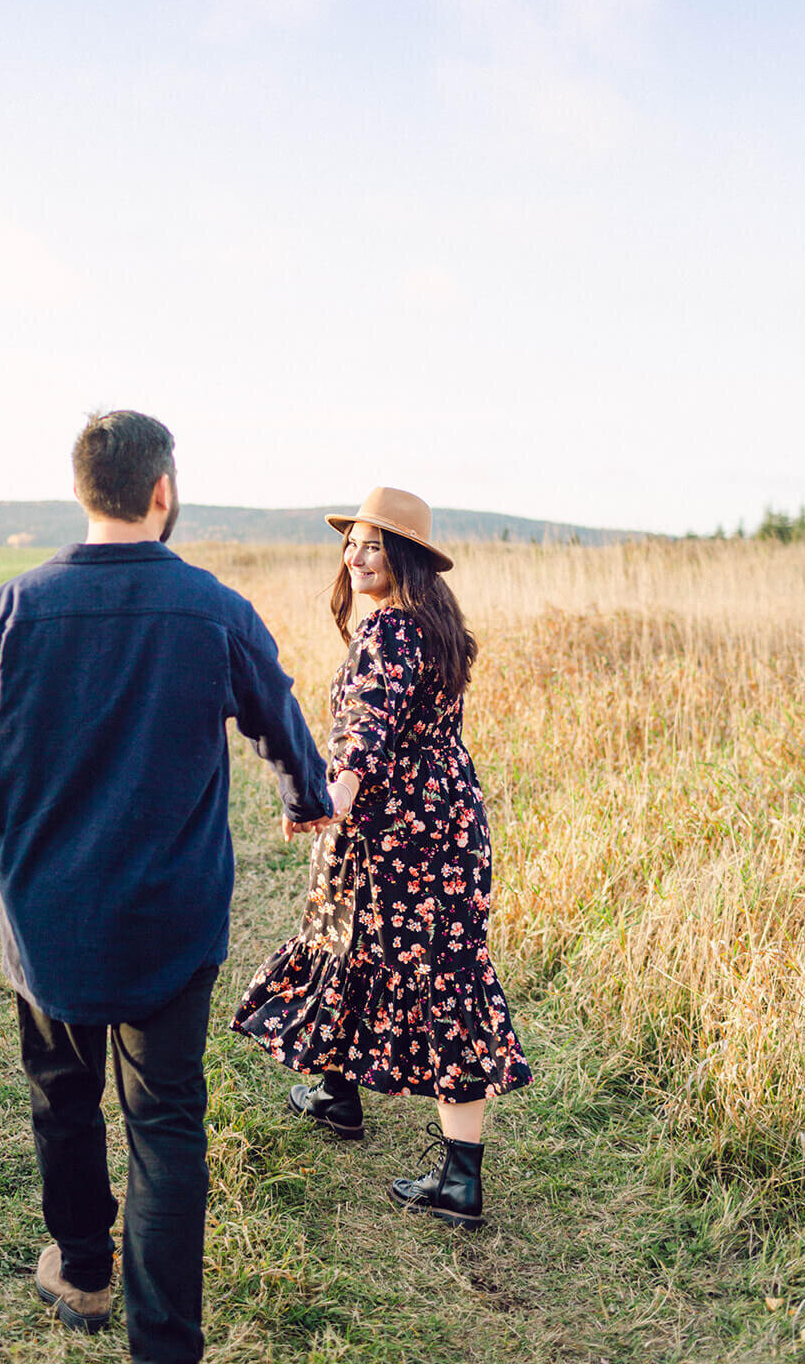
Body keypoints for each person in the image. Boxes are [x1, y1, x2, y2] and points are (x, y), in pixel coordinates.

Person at [0, 410, 335, 1364]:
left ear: (83, 491)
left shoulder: (9, 612)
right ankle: (164, 1346)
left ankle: (84, 1269)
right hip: (171, 923)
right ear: (162, 492)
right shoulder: (213, 609)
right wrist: (305, 791)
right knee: (166, 1125)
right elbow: (279, 710)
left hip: (50, 926)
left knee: (60, 1094)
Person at [232, 487, 532, 1228]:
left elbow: (368, 723)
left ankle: (460, 1182)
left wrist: (334, 792)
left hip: (393, 825)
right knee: (361, 949)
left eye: (372, 544)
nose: (354, 555)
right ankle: (337, 1097)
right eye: (350, 542)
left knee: (431, 975)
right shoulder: (434, 626)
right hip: (442, 814)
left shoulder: (390, 632)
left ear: (403, 556)